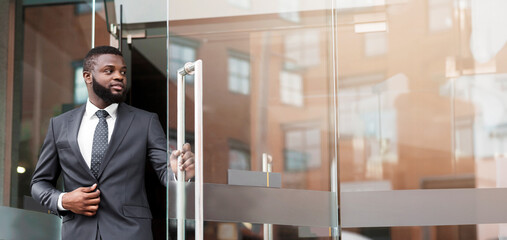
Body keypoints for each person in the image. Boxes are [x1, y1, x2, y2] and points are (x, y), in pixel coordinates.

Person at [30, 45, 194, 240]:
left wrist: (178, 173)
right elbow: (39, 183)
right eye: (109, 71)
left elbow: (165, 172)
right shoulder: (60, 124)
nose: (119, 76)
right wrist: (63, 200)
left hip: (131, 233)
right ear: (87, 76)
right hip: (78, 233)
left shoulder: (145, 121)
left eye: (123, 72)